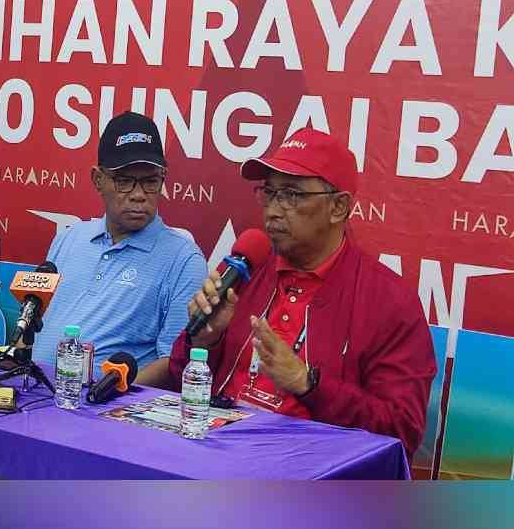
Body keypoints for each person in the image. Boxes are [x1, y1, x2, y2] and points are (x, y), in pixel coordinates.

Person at [143, 128, 436, 459]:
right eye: (269, 193)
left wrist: (308, 383)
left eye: (292, 195)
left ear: (339, 207)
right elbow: (182, 375)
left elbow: (401, 432)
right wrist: (204, 341)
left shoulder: (389, 301)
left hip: (310, 478)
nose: (273, 210)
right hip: (211, 455)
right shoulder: (246, 268)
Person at [29, 111, 207, 379]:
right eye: (124, 181)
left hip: (102, 411)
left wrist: (105, 397)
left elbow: (173, 362)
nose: (138, 195)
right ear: (98, 180)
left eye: (150, 181)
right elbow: (30, 321)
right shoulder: (69, 237)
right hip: (31, 396)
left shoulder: (184, 260)